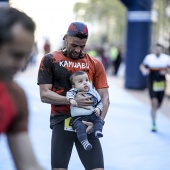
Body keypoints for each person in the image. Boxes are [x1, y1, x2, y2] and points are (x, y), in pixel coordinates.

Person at [37, 21, 110, 170]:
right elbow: (44, 94)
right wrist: (71, 100)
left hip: (88, 122)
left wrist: (99, 122)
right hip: (62, 121)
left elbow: (105, 97)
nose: (78, 50)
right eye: (74, 45)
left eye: (82, 46)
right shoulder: (50, 60)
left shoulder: (95, 63)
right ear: (66, 38)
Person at [0, 7, 44, 170]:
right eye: (17, 55)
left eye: (26, 57)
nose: (22, 65)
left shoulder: (15, 96)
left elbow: (29, 165)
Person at [66, 71, 104, 151]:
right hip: (78, 118)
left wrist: (98, 109)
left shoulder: (93, 92)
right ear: (74, 86)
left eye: (87, 80)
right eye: (80, 81)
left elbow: (100, 103)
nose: (85, 83)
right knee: (80, 128)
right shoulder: (74, 91)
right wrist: (71, 99)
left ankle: (98, 131)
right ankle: (84, 142)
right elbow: (68, 94)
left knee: (99, 120)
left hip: (91, 115)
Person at [140, 43, 170, 132]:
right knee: (154, 102)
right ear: (153, 50)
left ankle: (155, 110)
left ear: (162, 50)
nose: (158, 51)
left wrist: (166, 72)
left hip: (161, 83)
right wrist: (144, 70)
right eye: (156, 49)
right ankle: (153, 123)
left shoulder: (166, 58)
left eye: (160, 50)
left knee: (159, 104)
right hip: (151, 82)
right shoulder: (149, 58)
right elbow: (142, 66)